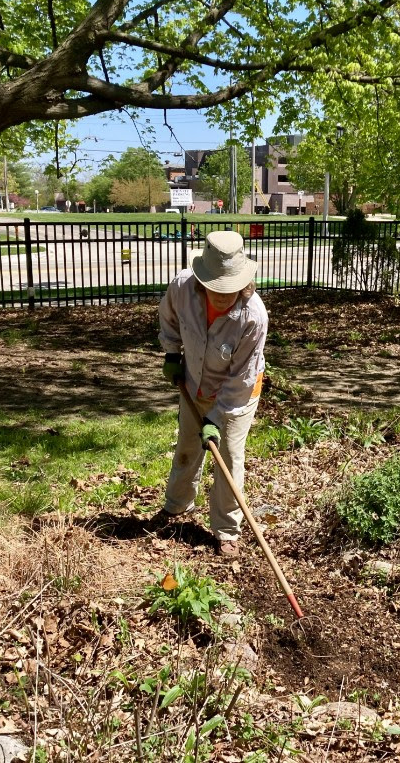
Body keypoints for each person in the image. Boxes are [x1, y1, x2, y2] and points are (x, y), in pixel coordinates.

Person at [158, 231, 268, 556]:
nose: (222, 295)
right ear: (201, 280)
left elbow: (241, 379)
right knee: (187, 445)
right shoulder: (183, 288)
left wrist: (216, 419)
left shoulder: (253, 317)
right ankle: (177, 505)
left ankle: (227, 530)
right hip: (194, 383)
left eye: (230, 288)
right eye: (215, 287)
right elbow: (169, 318)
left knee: (228, 458)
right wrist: (171, 354)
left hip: (237, 394)